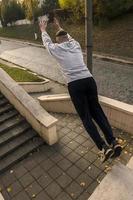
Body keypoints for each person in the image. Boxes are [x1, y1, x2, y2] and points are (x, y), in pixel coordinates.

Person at [39, 18, 122, 162]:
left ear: (58, 41)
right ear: (68, 38)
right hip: (89, 80)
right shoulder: (75, 44)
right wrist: (60, 26)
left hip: (75, 85)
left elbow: (47, 43)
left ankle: (104, 147)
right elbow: (68, 36)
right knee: (98, 112)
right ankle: (113, 141)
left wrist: (43, 30)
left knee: (86, 117)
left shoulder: (56, 49)